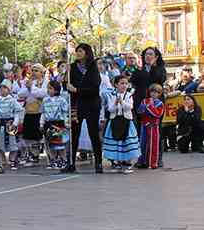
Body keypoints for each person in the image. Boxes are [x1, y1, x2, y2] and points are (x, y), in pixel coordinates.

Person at [65, 43, 103, 173]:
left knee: (93, 133)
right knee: (74, 133)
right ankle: (71, 163)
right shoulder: (73, 67)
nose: (78, 53)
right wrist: (67, 75)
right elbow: (67, 85)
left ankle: (98, 162)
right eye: (77, 51)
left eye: (80, 51)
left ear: (87, 53)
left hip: (92, 104)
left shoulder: (93, 67)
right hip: (77, 104)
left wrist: (77, 89)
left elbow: (95, 87)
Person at [103, 75, 140, 173]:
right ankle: (117, 163)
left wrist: (122, 102)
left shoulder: (129, 95)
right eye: (121, 83)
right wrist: (115, 103)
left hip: (126, 121)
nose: (124, 85)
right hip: (114, 121)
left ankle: (129, 164)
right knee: (116, 142)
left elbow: (130, 107)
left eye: (126, 83)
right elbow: (110, 109)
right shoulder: (111, 95)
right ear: (116, 84)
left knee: (128, 142)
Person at [0, 79, 24, 172]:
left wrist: (15, 124)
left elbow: (17, 113)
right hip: (0, 124)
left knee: (12, 143)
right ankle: (1, 160)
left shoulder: (12, 101)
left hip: (10, 125)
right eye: (1, 88)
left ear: (9, 90)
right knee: (0, 143)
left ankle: (12, 160)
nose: (2, 90)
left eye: (5, 88)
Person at [18, 63, 47, 165]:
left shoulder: (45, 82)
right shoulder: (30, 82)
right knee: (28, 135)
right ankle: (30, 155)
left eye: (36, 71)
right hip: (29, 111)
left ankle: (35, 156)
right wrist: (28, 87)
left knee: (37, 135)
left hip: (39, 112)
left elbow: (42, 93)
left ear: (42, 72)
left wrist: (31, 88)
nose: (34, 72)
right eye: (33, 70)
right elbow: (21, 94)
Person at [39, 80, 69, 170]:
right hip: (49, 124)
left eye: (50, 88)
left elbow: (65, 113)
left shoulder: (62, 100)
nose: (48, 90)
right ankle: (53, 160)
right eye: (48, 88)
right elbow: (43, 113)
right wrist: (41, 123)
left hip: (59, 124)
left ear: (56, 90)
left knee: (60, 144)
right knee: (50, 144)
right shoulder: (45, 100)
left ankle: (63, 160)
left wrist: (66, 122)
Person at [136, 84, 164, 169]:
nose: (154, 94)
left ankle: (153, 163)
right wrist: (143, 108)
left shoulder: (160, 103)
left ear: (159, 94)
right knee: (142, 144)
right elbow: (140, 111)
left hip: (153, 126)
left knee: (153, 144)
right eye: (152, 91)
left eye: (156, 92)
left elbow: (158, 114)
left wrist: (149, 106)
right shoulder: (145, 100)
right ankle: (142, 161)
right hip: (144, 125)